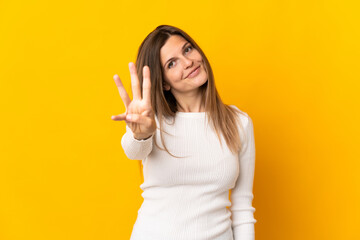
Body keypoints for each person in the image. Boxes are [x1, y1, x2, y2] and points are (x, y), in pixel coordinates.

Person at [111, 25, 257, 240]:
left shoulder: (238, 123)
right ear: (164, 83)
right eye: (172, 63)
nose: (188, 62)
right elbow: (134, 150)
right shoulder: (151, 121)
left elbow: (242, 206)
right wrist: (140, 134)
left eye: (187, 49)